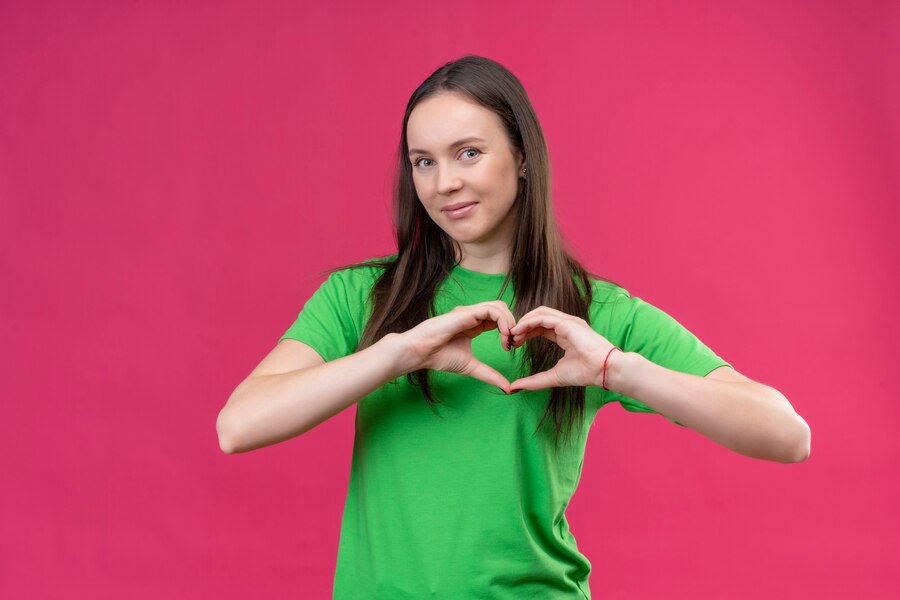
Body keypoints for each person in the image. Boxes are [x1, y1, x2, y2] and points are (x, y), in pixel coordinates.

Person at [216, 55, 811, 599]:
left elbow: (786, 434)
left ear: (522, 157)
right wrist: (400, 352)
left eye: (468, 153)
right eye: (424, 161)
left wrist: (615, 369)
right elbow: (238, 425)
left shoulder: (595, 312)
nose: (443, 182)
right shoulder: (362, 297)